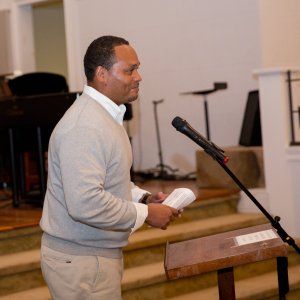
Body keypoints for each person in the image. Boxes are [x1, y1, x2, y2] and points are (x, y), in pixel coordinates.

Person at [40, 35, 179, 300]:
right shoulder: (85, 125)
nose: (138, 77)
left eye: (137, 68)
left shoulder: (104, 116)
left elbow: (108, 180)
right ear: (102, 74)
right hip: (81, 259)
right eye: (130, 70)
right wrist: (147, 213)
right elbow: (85, 202)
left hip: (92, 255)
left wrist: (144, 198)